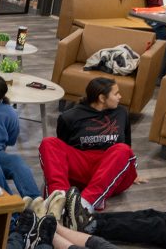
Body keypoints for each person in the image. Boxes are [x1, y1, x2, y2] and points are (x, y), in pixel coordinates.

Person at [38, 77, 137, 226]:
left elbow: (127, 145)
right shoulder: (69, 117)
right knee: (49, 143)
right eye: (116, 93)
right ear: (102, 98)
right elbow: (62, 150)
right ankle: (58, 199)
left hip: (111, 170)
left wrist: (131, 171)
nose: (120, 97)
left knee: (122, 149)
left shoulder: (121, 113)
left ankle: (84, 204)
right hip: (83, 167)